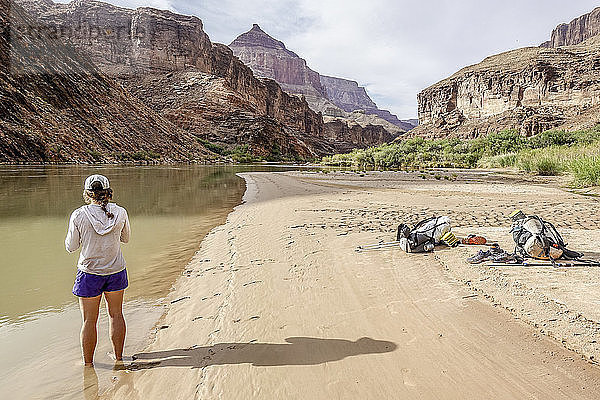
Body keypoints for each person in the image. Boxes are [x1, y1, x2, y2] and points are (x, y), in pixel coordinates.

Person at [65, 174, 131, 365]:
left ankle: (88, 365)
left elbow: (71, 247)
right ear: (108, 192)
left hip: (89, 273)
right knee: (116, 314)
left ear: (87, 194)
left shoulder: (79, 215)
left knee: (89, 321)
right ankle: (119, 358)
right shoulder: (121, 212)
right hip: (116, 270)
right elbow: (125, 239)